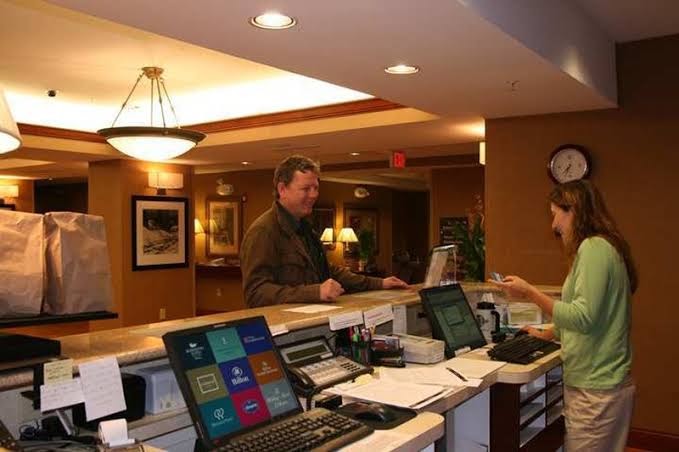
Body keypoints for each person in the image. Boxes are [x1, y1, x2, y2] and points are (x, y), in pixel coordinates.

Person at [489, 180, 636, 452]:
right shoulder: (604, 247)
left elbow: (583, 316)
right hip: (605, 384)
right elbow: (596, 314)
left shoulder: (594, 248)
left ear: (574, 211)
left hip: (595, 388)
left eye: (556, 214)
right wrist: (548, 333)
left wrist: (529, 292)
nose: (554, 225)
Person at [241, 155, 408, 308]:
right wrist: (314, 292)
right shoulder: (263, 231)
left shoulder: (306, 229)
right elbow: (256, 293)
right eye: (306, 189)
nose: (314, 195)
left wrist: (380, 283)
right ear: (282, 189)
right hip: (282, 327)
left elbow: (328, 272)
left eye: (316, 188)